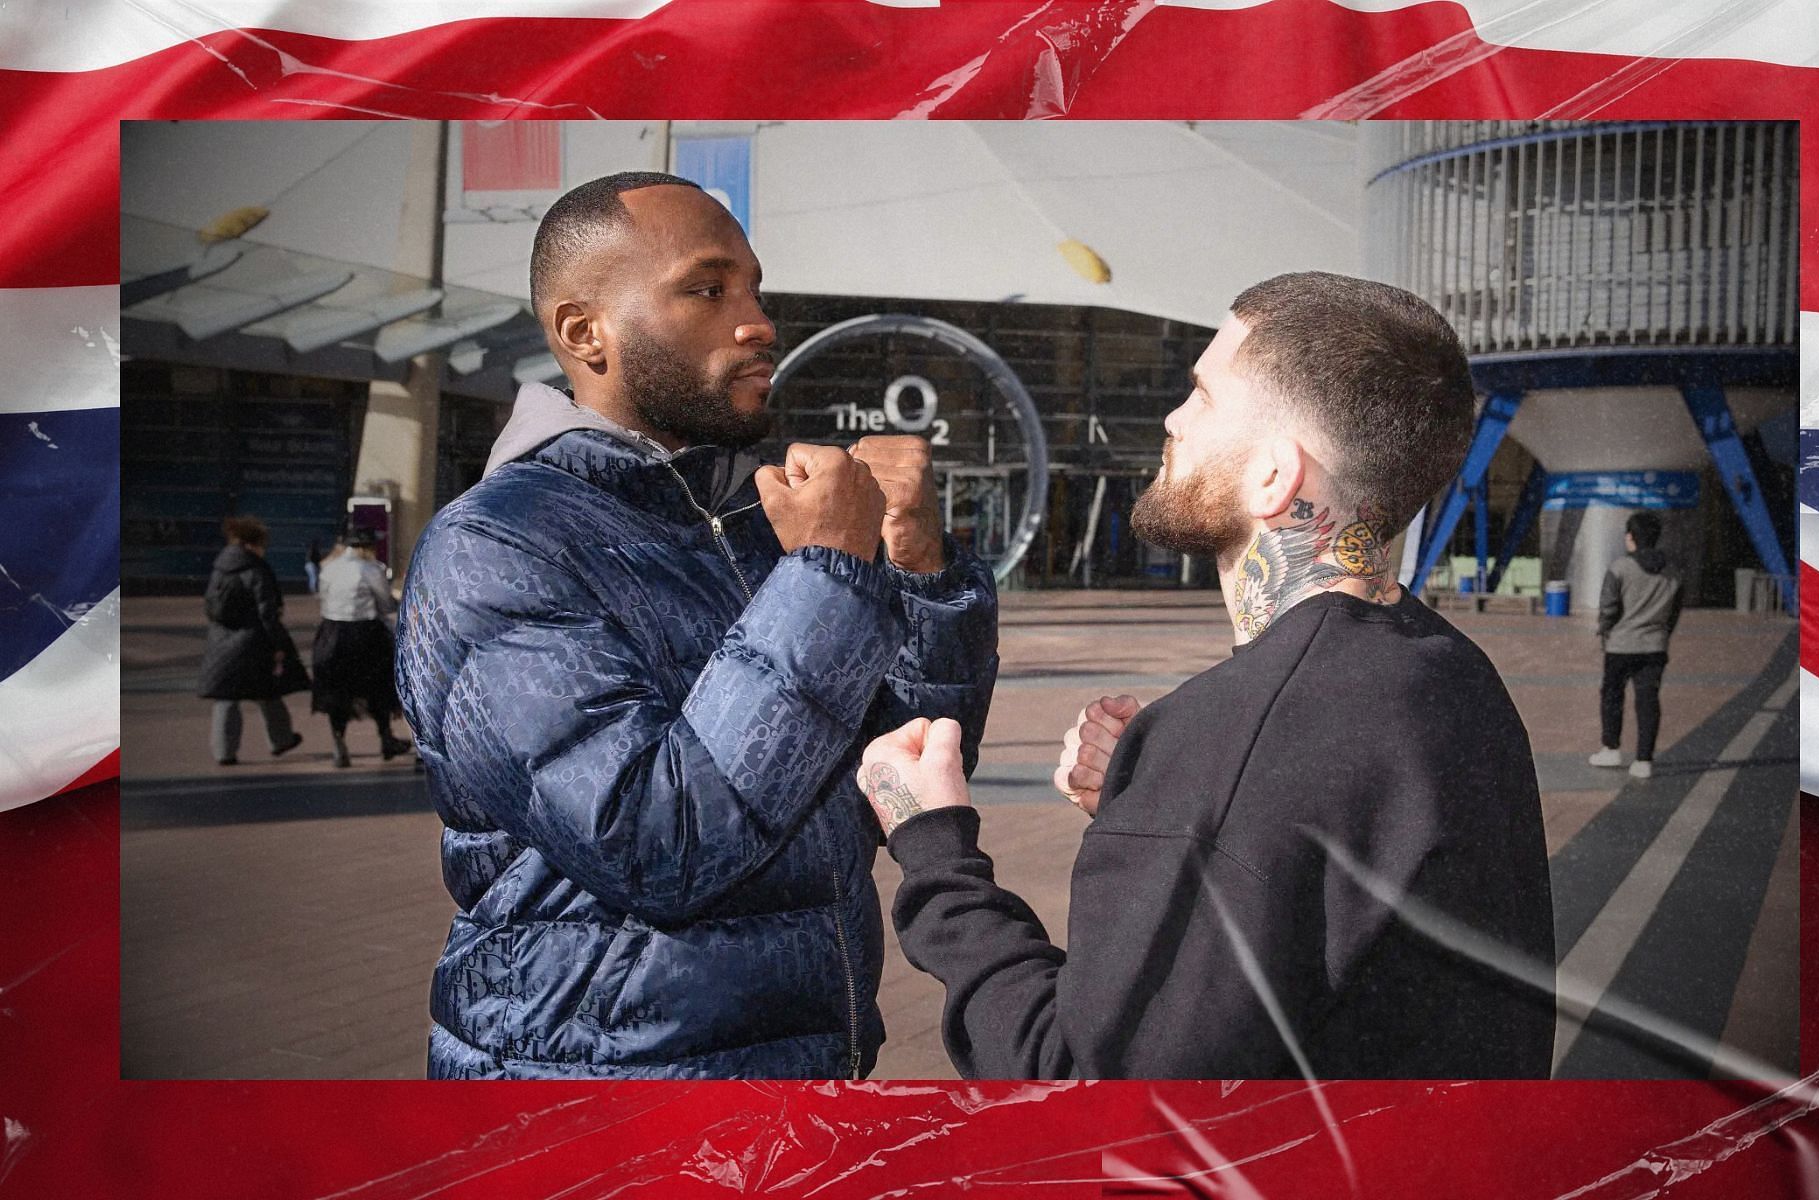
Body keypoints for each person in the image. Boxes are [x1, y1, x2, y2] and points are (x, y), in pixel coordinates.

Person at [858, 272, 1555, 1079]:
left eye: (1202, 395)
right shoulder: (1447, 673)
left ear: (1274, 475)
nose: (1172, 419)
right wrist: (1165, 805)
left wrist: (933, 846)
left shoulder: (1245, 737)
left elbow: (1081, 1082)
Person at [394, 172, 998, 1079]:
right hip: (598, 1088)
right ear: (582, 331)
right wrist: (828, 575)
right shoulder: (496, 545)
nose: (758, 322)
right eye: (709, 289)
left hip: (804, 1072)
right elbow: (658, 843)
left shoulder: (759, 520)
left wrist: (920, 572)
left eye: (756, 289)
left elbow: (897, 767)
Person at [198, 515, 308, 766]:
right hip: (252, 641)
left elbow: (211, 607)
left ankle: (224, 752)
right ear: (252, 544)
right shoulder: (255, 570)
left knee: (226, 697)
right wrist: (279, 644)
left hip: (221, 641)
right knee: (266, 691)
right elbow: (267, 613)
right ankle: (281, 739)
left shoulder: (219, 569)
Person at [1588, 511, 1683, 780]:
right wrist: (1661, 634)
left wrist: (1604, 629)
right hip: (1654, 646)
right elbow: (1673, 613)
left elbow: (1608, 606)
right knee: (1648, 701)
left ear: (1631, 537)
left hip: (1620, 645)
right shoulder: (1673, 572)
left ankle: (1611, 748)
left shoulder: (1619, 568)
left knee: (1612, 696)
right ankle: (1644, 759)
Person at [311, 528, 411, 768]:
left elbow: (322, 597)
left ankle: (338, 741)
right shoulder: (371, 568)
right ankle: (386, 738)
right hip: (365, 633)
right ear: (366, 547)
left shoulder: (329, 567)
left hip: (331, 633)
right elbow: (386, 603)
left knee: (337, 690)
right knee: (378, 687)